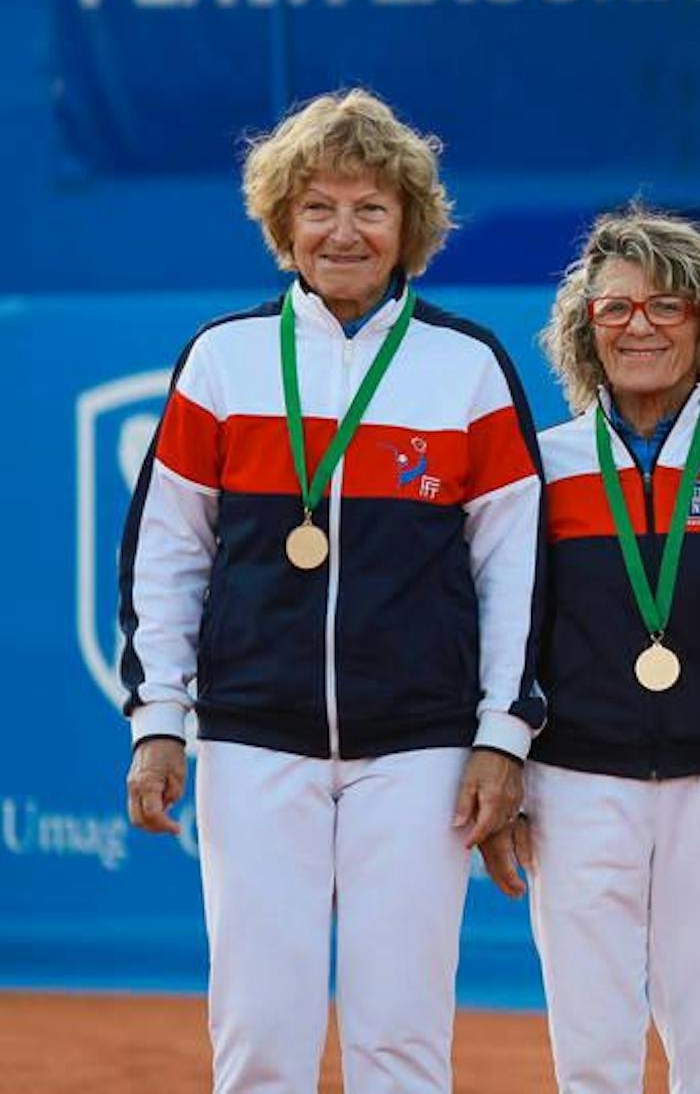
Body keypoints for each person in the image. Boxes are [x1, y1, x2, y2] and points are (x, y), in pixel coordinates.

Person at [118, 88, 545, 1093]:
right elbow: (168, 553)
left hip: (421, 746)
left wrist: (501, 734)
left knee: (400, 1037)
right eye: (317, 206)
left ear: (410, 225)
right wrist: (158, 719)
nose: (343, 231)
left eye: (370, 207)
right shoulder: (224, 360)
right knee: (260, 1032)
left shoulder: (467, 367)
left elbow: (515, 563)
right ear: (282, 223)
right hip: (252, 735)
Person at [480, 207, 700, 1094]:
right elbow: (505, 630)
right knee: (591, 1046)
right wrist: (511, 761)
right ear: (584, 331)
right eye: (616, 309)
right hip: (576, 785)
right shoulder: (541, 464)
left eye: (667, 307)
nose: (641, 326)